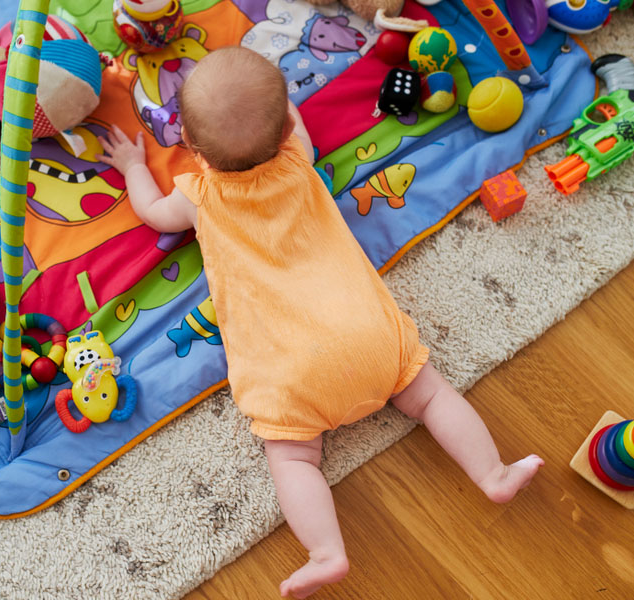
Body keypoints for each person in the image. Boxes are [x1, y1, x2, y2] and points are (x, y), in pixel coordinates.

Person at [98, 45, 543, 599]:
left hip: (290, 375)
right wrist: (280, 110)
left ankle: (327, 552)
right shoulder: (297, 157)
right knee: (431, 398)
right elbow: (288, 122)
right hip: (369, 340)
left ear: (188, 147)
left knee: (294, 456)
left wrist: (135, 168)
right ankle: (493, 475)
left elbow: (151, 212)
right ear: (286, 126)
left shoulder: (197, 195)